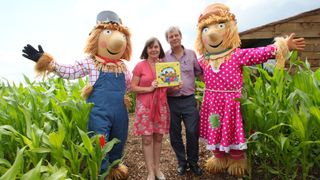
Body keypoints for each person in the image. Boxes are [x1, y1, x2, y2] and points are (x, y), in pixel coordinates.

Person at [194, 3, 305, 177]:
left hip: (232, 103)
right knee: (216, 129)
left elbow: (258, 53)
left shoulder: (236, 54)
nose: (213, 33)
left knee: (233, 130)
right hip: (213, 104)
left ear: (229, 29)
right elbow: (187, 71)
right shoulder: (203, 60)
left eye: (220, 26)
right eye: (206, 29)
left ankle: (237, 159)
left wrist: (283, 46)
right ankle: (219, 157)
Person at [22, 11, 132, 179]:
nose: (117, 39)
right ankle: (101, 173)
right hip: (99, 113)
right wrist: (47, 62)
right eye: (108, 33)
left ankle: (114, 169)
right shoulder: (92, 62)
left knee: (119, 140)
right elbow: (70, 71)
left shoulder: (123, 67)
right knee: (100, 142)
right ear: (97, 37)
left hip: (120, 113)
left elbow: (131, 85)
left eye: (120, 35)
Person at [163, 26, 203, 176]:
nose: (174, 38)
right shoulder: (164, 57)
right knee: (175, 134)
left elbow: (200, 73)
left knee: (193, 131)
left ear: (180, 36)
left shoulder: (192, 54)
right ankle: (182, 162)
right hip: (171, 101)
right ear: (167, 40)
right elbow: (161, 79)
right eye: (170, 36)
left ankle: (193, 161)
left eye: (176, 35)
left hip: (189, 100)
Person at [131, 37, 169, 180]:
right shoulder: (140, 66)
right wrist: (149, 88)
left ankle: (157, 169)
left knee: (158, 138)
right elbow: (133, 87)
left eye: (156, 47)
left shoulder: (165, 66)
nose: (154, 49)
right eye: (150, 47)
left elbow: (168, 87)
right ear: (146, 50)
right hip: (145, 107)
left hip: (161, 106)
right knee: (147, 139)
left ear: (160, 49)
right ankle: (150, 172)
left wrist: (176, 85)